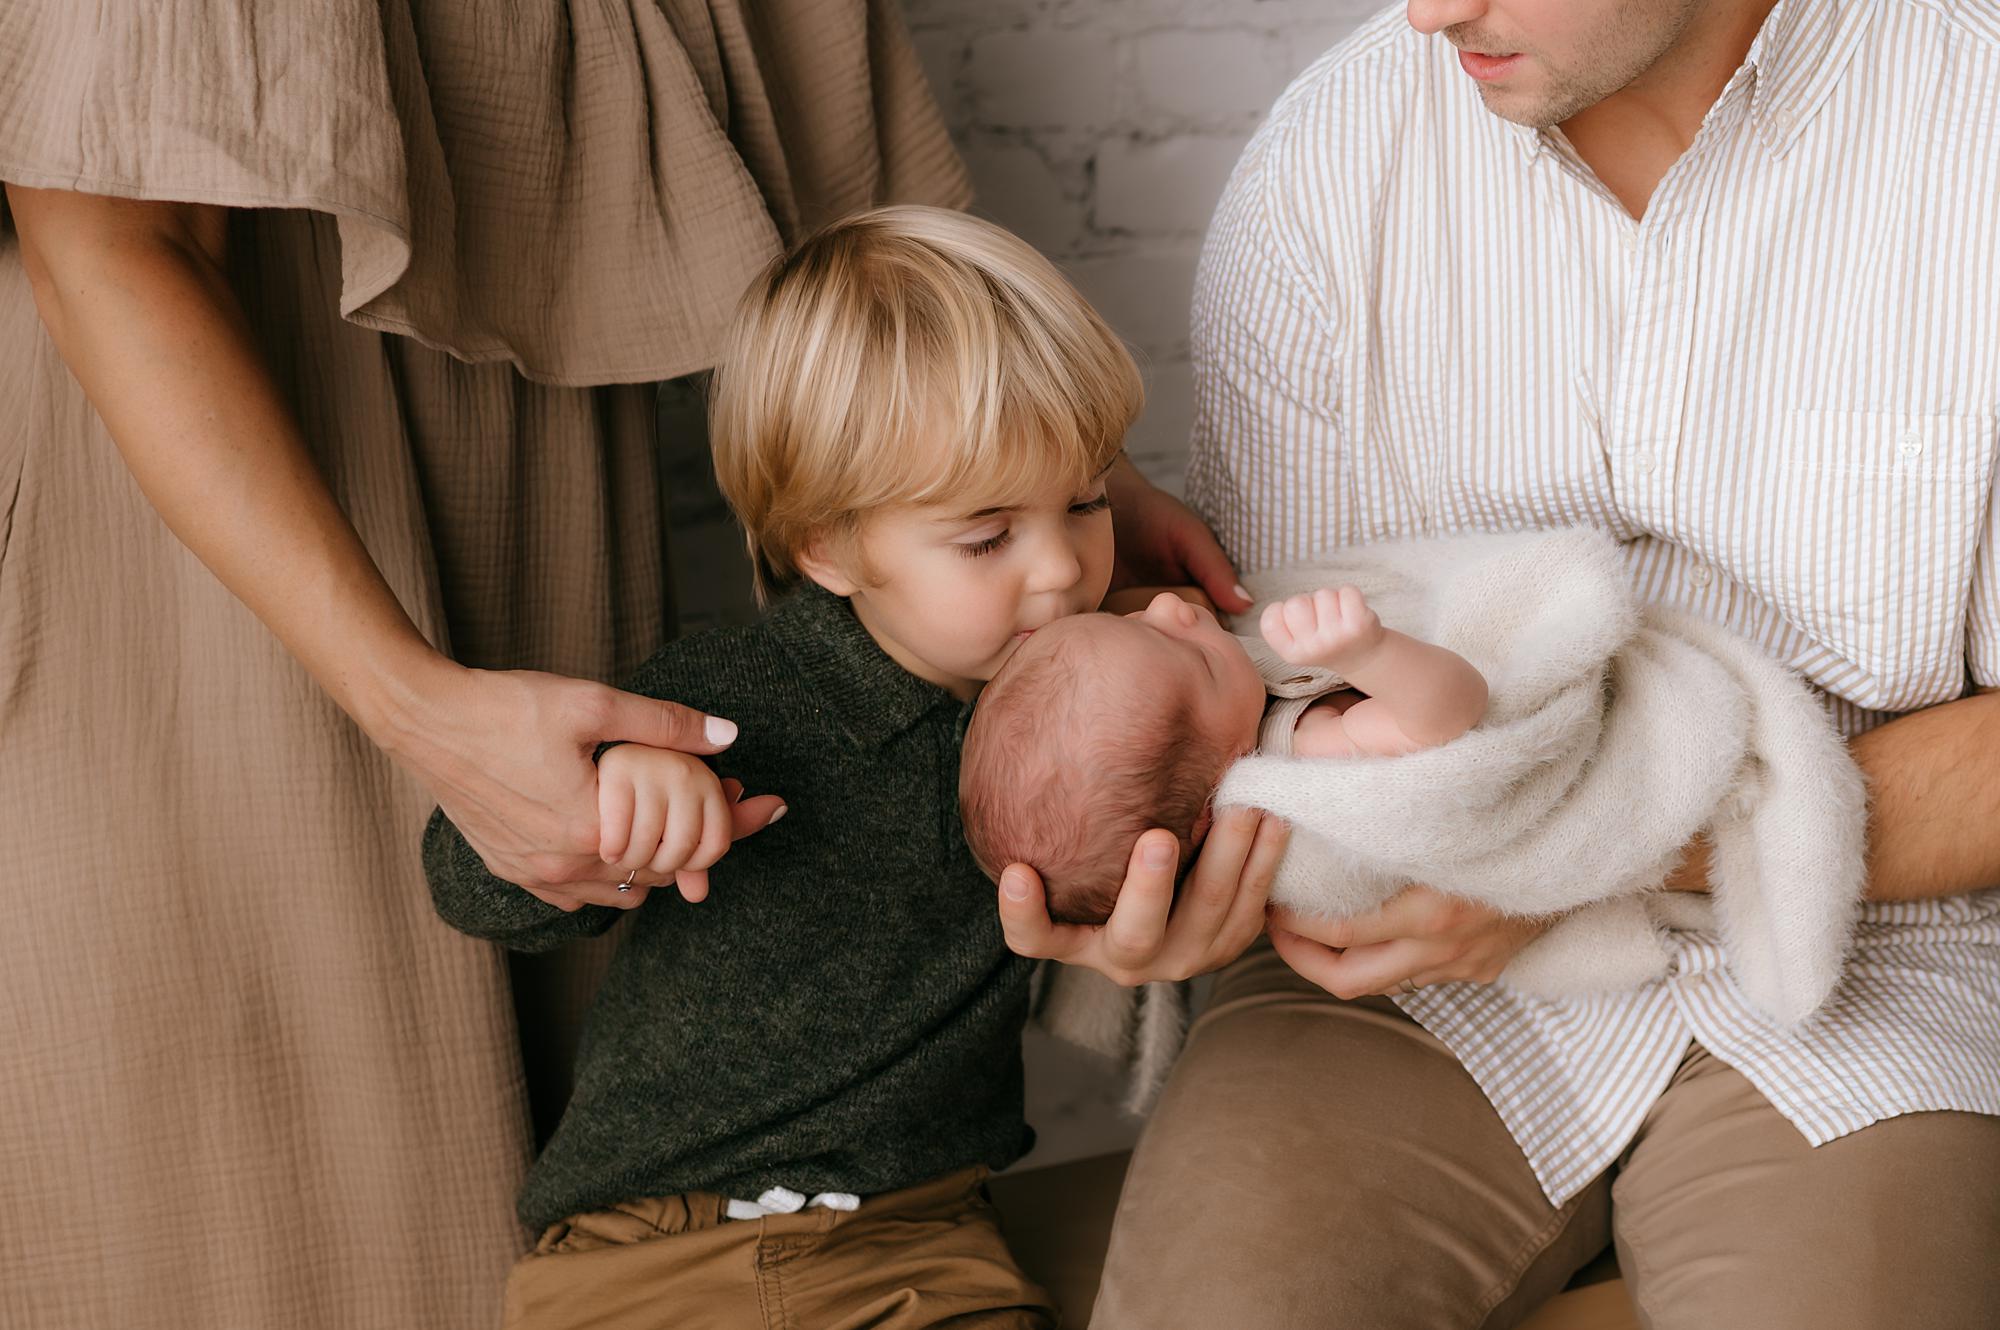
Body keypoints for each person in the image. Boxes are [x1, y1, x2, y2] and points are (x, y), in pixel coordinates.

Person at [0, 6, 1022, 1327]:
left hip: (537, 461)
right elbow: (106, 228)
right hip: (193, 527)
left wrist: (1033, 483)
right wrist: (411, 701)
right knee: (261, 1201)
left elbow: (829, 130)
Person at [999, 1, 2000, 1326]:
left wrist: (1565, 856)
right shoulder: (1327, 165)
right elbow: (1268, 696)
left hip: (1863, 952)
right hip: (1402, 978)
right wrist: (1195, 860)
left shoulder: (1969, 131)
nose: (1431, 12)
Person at [425, 204, 1143, 1330]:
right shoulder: (738, 707)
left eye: (1088, 501)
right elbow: (467, 876)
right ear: (829, 546)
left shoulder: (1077, 686)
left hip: (927, 1231)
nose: (1062, 567)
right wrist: (618, 791)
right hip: (689, 1250)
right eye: (986, 536)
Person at [961, 588, 1485, 923]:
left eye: (1132, 619)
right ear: (1220, 783)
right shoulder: (1304, 745)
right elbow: (1447, 719)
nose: (1167, 605)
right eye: (1197, 657)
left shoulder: (1222, 708)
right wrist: (1370, 655)